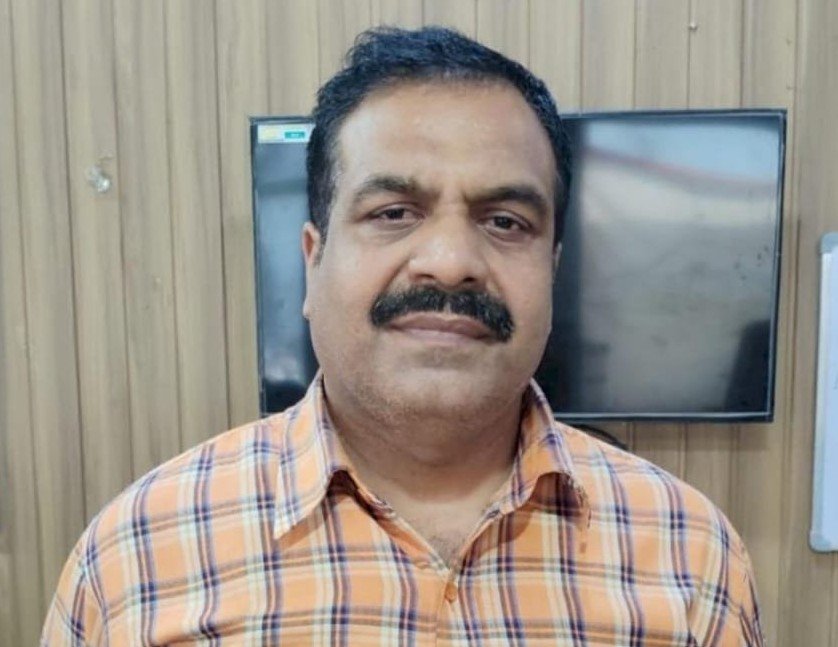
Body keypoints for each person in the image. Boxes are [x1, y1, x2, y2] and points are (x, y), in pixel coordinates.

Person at [42, 26, 763, 645]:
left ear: (552, 271)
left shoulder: (691, 555)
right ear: (312, 260)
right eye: (393, 212)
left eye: (505, 221)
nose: (449, 261)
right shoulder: (136, 559)